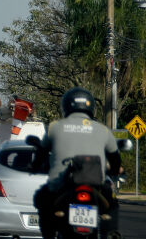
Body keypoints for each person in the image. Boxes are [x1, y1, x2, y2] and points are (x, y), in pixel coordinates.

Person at [32, 87, 121, 239]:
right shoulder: (103, 130)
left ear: (66, 106)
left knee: (41, 199)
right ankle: (111, 233)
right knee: (112, 205)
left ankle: (49, 235)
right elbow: (115, 158)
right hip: (96, 185)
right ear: (90, 106)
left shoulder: (54, 127)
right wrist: (115, 170)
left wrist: (34, 166)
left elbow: (41, 152)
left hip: (60, 186)